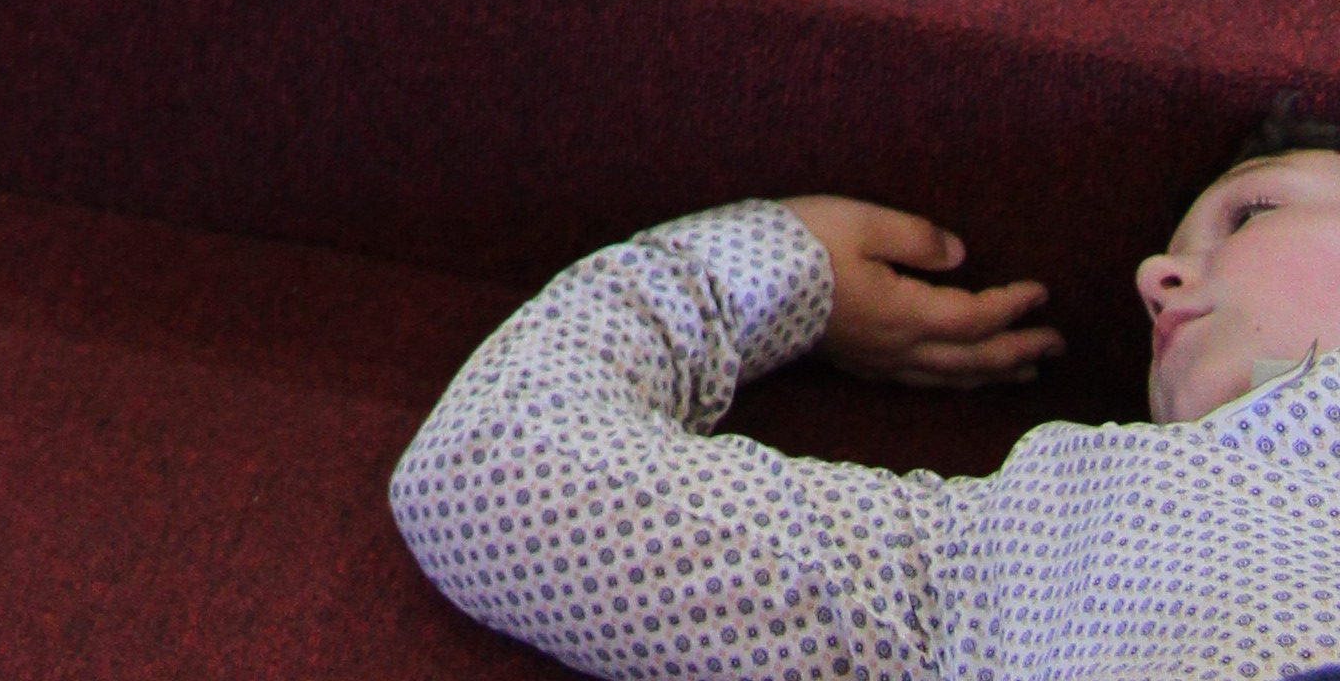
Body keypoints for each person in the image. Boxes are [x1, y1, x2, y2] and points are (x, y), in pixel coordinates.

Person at [388, 111, 1340, 679]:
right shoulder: (1047, 534)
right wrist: (767, 274)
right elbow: (495, 477)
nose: (1155, 279)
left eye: (1250, 213)